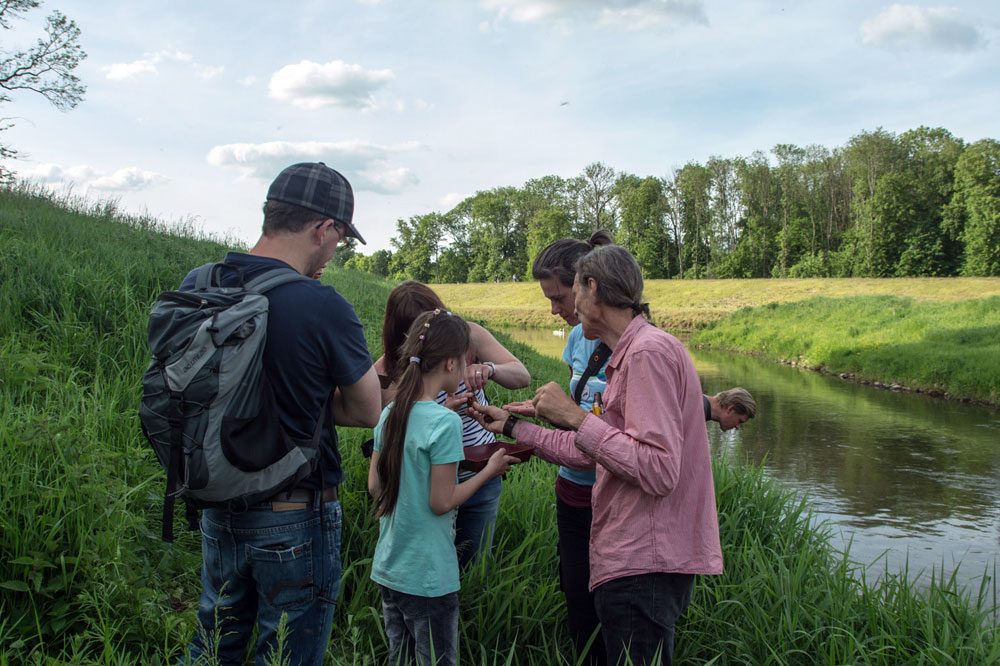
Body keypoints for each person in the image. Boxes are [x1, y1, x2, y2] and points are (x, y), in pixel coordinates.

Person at [472, 245, 723, 666]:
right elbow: (592, 453)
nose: (560, 309)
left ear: (591, 287)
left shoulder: (647, 354)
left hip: (647, 560)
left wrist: (573, 415)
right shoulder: (631, 354)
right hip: (630, 555)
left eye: (568, 292)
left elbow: (659, 470)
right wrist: (514, 427)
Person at [181, 162, 381, 666]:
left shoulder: (202, 282)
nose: (336, 251)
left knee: (212, 646)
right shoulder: (321, 303)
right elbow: (365, 410)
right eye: (339, 238)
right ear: (323, 228)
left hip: (217, 503)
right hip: (293, 517)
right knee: (288, 655)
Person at [368, 309, 517, 666]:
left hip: (389, 568)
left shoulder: (391, 414)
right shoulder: (445, 423)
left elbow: (375, 486)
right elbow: (442, 501)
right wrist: (489, 470)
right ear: (452, 363)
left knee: (399, 658)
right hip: (429, 576)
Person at [374, 281, 530, 568]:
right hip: (426, 478)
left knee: (476, 563)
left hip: (479, 467)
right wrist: (438, 411)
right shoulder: (388, 367)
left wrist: (488, 369)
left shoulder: (467, 334)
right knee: (434, 564)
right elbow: (392, 426)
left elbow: (521, 375)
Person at [527, 230, 613, 666]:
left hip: (610, 498)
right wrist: (541, 409)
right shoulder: (578, 337)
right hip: (571, 491)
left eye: (559, 297)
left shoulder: (630, 346)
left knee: (610, 602)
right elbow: (581, 404)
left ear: (586, 286)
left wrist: (520, 428)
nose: (555, 309)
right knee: (575, 592)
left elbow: (601, 438)